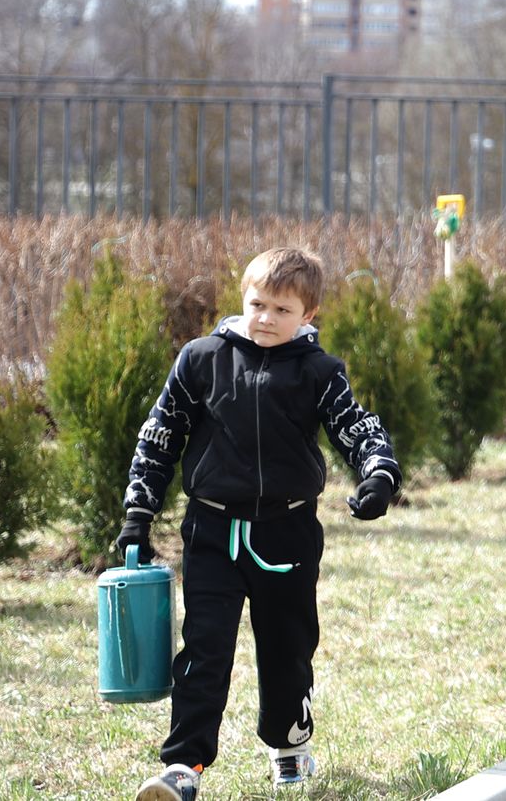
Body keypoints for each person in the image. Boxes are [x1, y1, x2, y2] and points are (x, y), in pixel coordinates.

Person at [117, 247, 400, 801]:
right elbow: (159, 437)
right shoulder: (201, 359)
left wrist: (379, 475)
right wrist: (138, 513)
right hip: (211, 534)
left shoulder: (320, 373)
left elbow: (358, 428)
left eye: (283, 309)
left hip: (287, 534)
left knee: (287, 650)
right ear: (243, 299)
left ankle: (289, 745)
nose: (266, 318)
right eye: (257, 304)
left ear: (308, 315)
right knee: (203, 650)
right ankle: (184, 766)